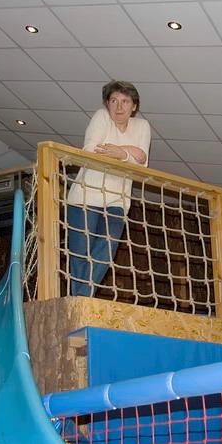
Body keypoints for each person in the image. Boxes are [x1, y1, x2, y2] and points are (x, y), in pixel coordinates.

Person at [65, 80, 151, 297]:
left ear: (134, 106)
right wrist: (130, 153)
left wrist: (120, 153)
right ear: (107, 104)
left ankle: (81, 297)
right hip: (85, 196)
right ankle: (82, 300)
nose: (119, 107)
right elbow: (90, 150)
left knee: (106, 250)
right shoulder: (101, 117)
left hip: (117, 200)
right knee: (81, 253)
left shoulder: (142, 126)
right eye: (114, 101)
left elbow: (142, 163)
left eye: (125, 101)